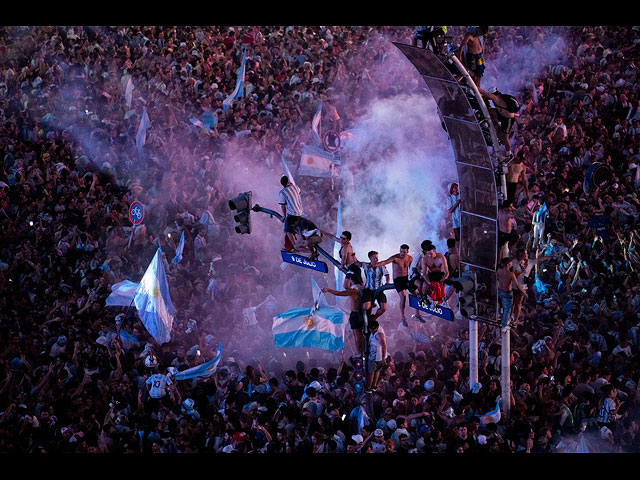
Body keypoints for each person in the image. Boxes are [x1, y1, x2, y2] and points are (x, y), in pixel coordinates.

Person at [322, 273, 366, 358]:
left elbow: (340, 293)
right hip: (361, 314)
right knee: (360, 334)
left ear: (351, 281)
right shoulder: (363, 288)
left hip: (355, 313)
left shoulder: (354, 290)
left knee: (357, 335)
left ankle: (360, 353)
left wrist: (328, 290)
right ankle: (362, 352)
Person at [370, 244, 413, 327]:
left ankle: (419, 313)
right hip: (398, 279)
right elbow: (385, 262)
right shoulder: (395, 258)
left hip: (406, 278)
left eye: (404, 252)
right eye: (400, 251)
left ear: (407, 252)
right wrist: (376, 265)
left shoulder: (410, 258)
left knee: (416, 292)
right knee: (403, 296)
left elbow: (411, 270)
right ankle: (403, 317)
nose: (401, 253)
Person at [479, 87, 520, 156]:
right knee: (488, 111)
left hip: (507, 119)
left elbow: (485, 93)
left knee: (505, 138)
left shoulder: (496, 98)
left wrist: (476, 88)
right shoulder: (500, 98)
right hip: (500, 114)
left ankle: (509, 154)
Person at [356, 250, 390, 323]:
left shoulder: (381, 266)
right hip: (369, 289)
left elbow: (387, 275)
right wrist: (352, 255)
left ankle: (374, 317)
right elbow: (357, 263)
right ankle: (370, 304)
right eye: (375, 258)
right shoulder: (366, 265)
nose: (377, 260)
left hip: (379, 289)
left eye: (377, 258)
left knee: (383, 308)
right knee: (366, 307)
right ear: (370, 258)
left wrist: (387, 282)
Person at [496, 257, 528, 328]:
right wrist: (524, 293)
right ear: (508, 264)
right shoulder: (510, 274)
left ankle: (499, 318)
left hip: (500, 290)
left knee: (501, 305)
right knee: (507, 309)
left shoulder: (499, 270)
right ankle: (504, 324)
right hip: (507, 292)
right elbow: (517, 285)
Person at [278, 175, 304, 251]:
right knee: (292, 229)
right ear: (288, 181)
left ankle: (294, 246)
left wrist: (284, 216)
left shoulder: (282, 192)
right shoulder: (295, 187)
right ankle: (290, 246)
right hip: (300, 213)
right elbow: (300, 191)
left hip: (292, 214)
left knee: (287, 230)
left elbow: (283, 206)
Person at [420, 240, 449, 306]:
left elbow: (446, 272)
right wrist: (429, 282)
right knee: (424, 286)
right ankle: (432, 300)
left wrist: (443, 279)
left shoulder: (441, 257)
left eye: (431, 254)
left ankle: (442, 301)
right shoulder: (424, 259)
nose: (429, 255)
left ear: (435, 251)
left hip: (441, 275)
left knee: (438, 285)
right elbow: (424, 273)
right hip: (432, 275)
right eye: (428, 254)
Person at [365, 319, 387, 393]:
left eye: (373, 328)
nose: (372, 330)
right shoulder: (374, 333)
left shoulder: (378, 334)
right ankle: (373, 386)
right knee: (376, 371)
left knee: (371, 372)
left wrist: (384, 357)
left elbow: (384, 345)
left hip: (375, 357)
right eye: (371, 328)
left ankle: (369, 387)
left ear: (377, 328)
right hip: (375, 356)